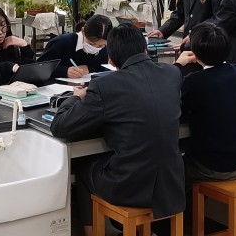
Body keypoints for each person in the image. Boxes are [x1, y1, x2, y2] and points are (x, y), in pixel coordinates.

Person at [50, 24, 185, 236]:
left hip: (130, 185)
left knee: (83, 167)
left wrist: (75, 97)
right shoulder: (172, 74)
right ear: (145, 50)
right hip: (171, 182)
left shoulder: (105, 86)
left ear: (111, 60)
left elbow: (60, 127)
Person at [177, 22, 236, 190]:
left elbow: (174, 104)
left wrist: (178, 66)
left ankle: (185, 208)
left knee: (167, 168)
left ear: (194, 53)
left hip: (211, 166)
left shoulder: (195, 82)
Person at [37, 14, 112, 80]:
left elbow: (104, 68)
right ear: (83, 31)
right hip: (57, 88)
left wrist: (89, 69)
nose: (95, 48)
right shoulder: (61, 42)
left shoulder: (105, 48)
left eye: (101, 45)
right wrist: (65, 71)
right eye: (91, 43)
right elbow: (40, 67)